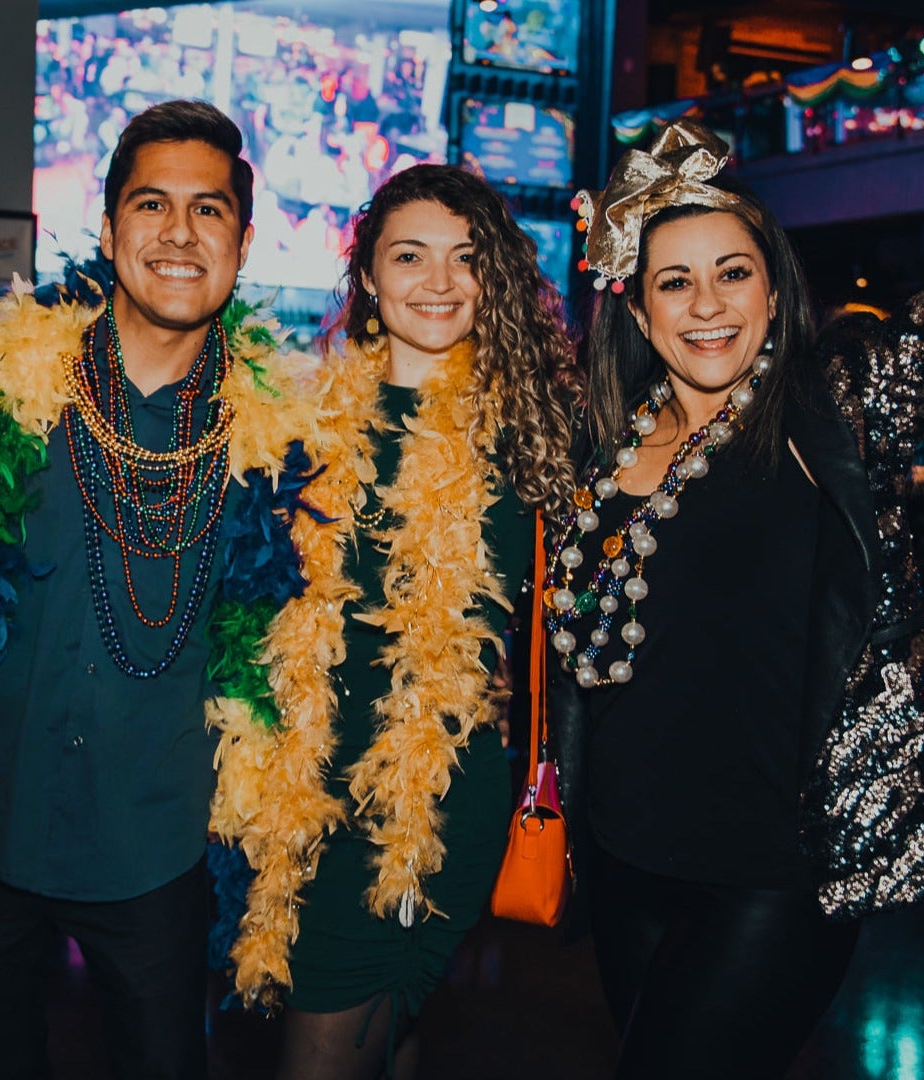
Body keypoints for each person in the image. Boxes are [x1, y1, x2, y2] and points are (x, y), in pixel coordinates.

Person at [545, 49, 924, 1079]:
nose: (707, 304)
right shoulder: (604, 441)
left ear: (775, 290)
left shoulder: (841, 402)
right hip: (622, 855)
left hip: (773, 871)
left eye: (732, 273)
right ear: (640, 309)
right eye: (676, 280)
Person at [0, 99, 315, 1079]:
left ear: (243, 240)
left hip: (156, 849)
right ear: (109, 230)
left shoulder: (287, 445)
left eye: (209, 211)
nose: (180, 234)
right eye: (152, 205)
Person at [202, 164, 576, 1079]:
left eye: (465, 258)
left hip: (439, 792)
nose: (439, 283)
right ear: (367, 276)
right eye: (409, 257)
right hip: (301, 779)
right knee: (384, 1029)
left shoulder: (532, 429)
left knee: (332, 1040)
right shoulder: (299, 419)